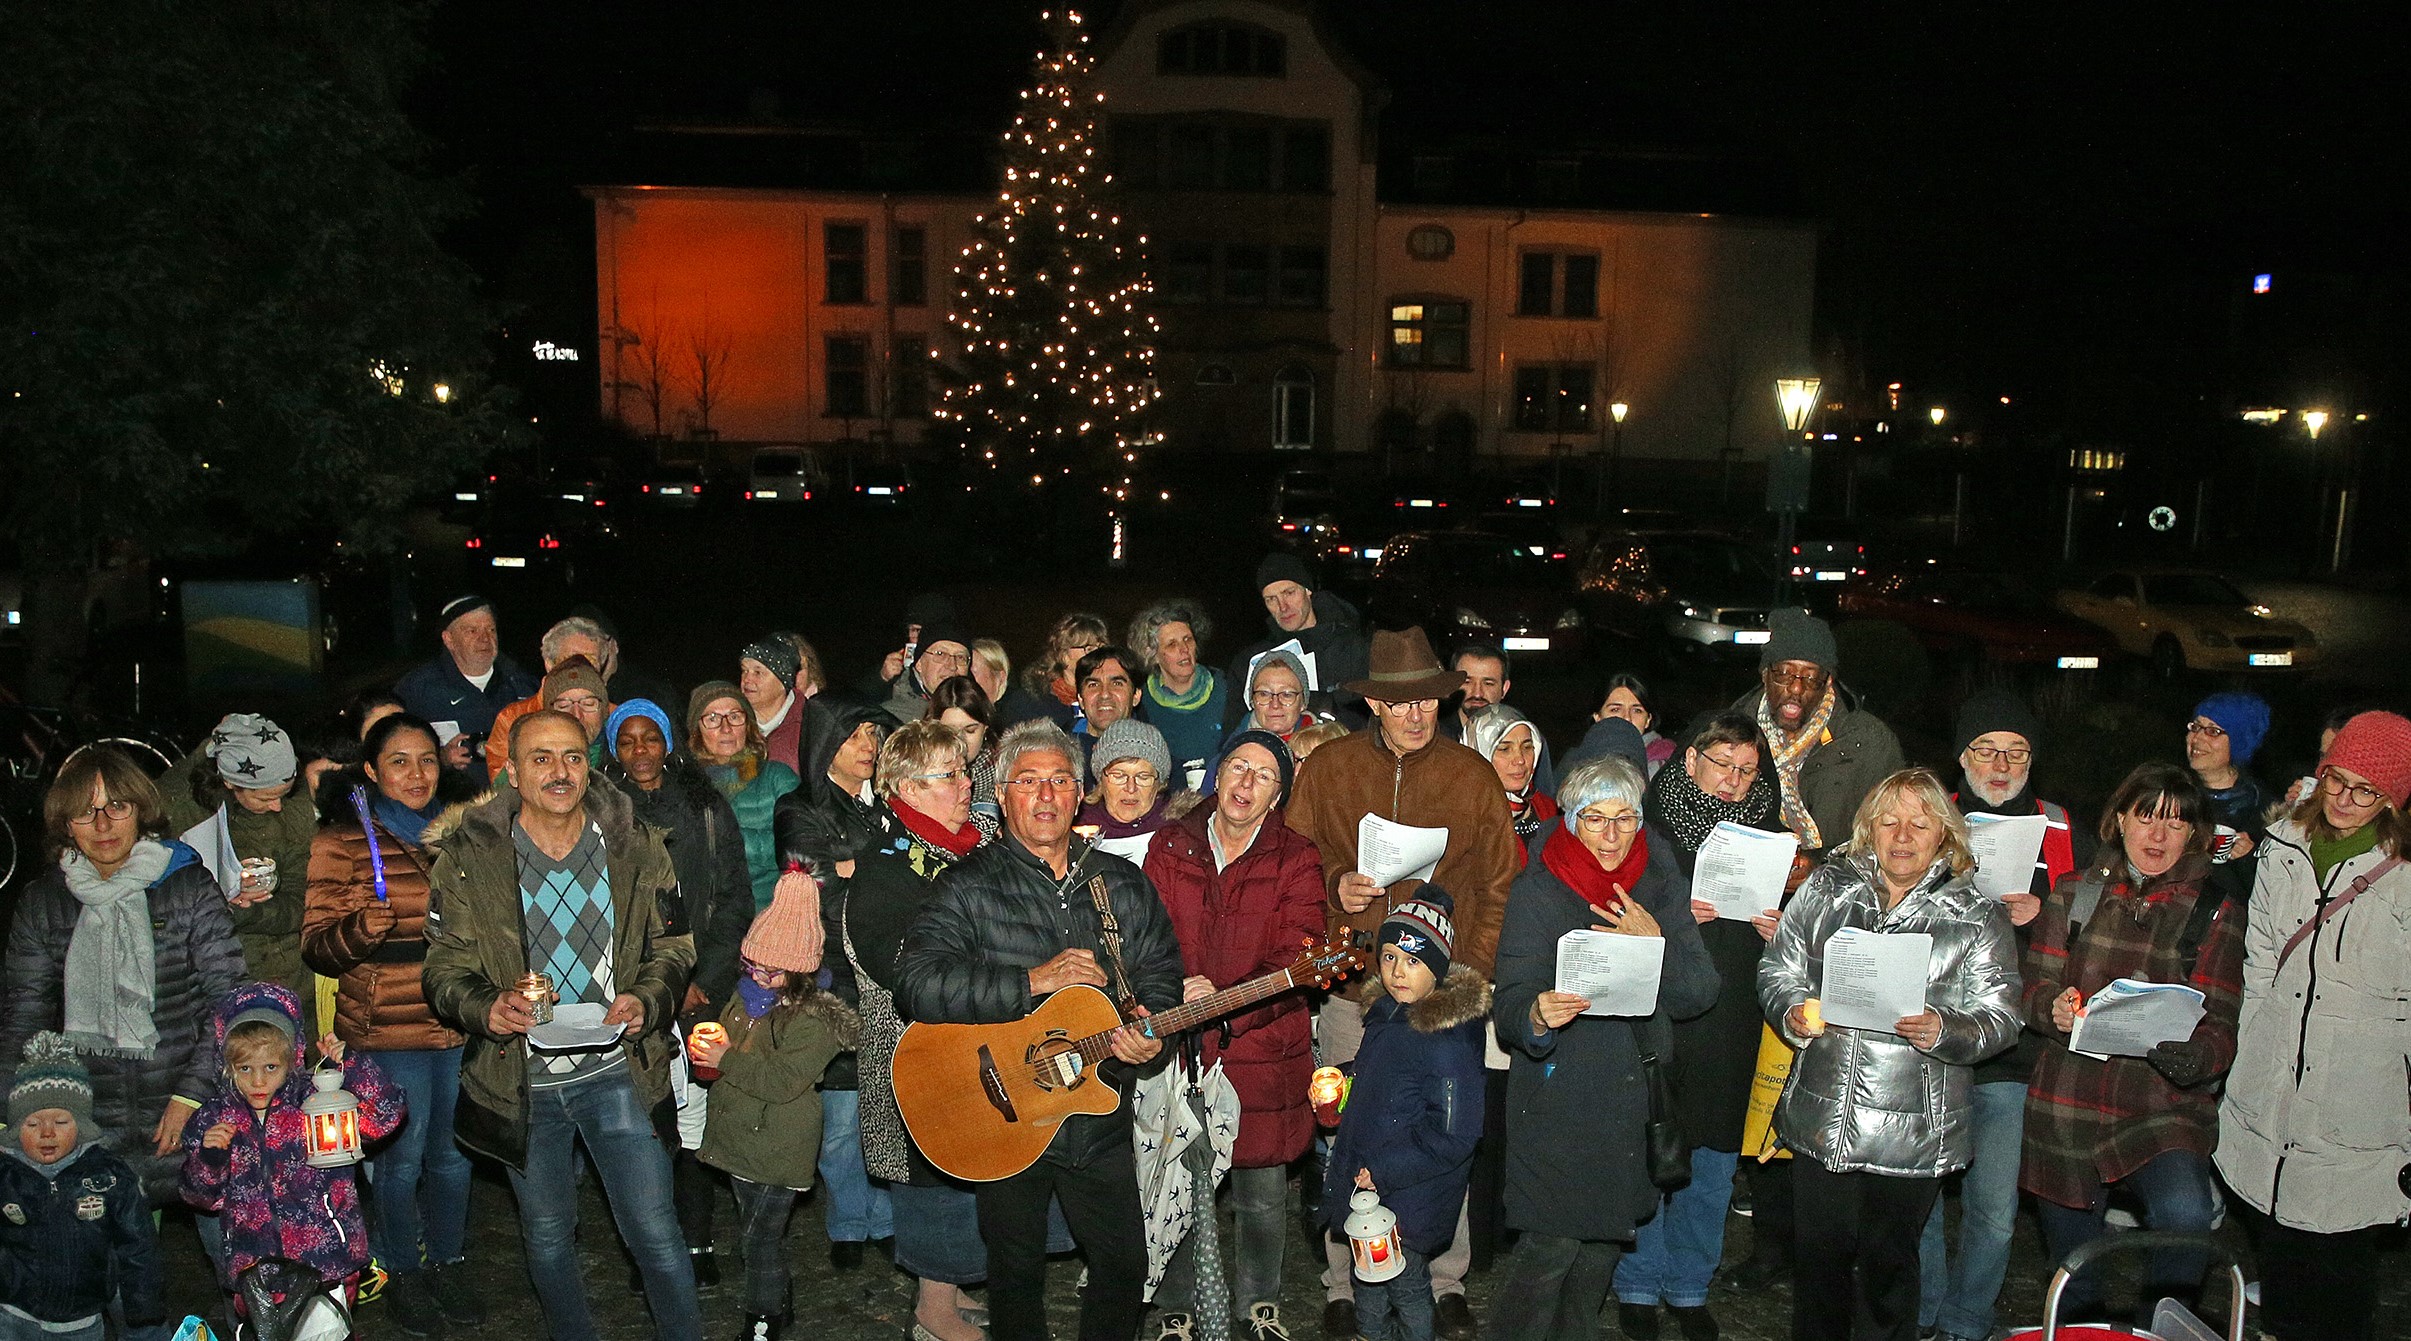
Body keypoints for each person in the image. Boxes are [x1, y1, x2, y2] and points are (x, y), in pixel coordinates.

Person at [894, 720, 1184, 1341]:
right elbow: (916, 982)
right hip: (1004, 1112)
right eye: (1028, 782)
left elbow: (1160, 973)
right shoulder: (967, 885)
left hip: (1097, 1109)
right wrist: (1031, 981)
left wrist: (1152, 1034)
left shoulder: (1120, 882)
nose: (1046, 795)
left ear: (1080, 795)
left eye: (1060, 781)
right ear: (1001, 797)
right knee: (1014, 1273)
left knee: (1124, 1266)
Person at [421, 709, 701, 1341]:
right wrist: (485, 1007)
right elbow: (443, 969)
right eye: (541, 758)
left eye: (573, 757)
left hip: (620, 1070)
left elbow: (674, 945)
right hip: (522, 1081)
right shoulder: (468, 858)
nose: (560, 772)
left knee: (657, 1233)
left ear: (590, 766)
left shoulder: (635, 846)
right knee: (547, 1237)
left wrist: (648, 998)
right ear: (512, 773)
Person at [1288, 627, 1518, 1341]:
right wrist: (1336, 884)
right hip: (1354, 979)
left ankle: (1444, 1278)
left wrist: (1469, 974)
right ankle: (1344, 1282)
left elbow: (1499, 883)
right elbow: (1293, 861)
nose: (1416, 715)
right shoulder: (1328, 769)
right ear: (1373, 705)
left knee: (1440, 1134)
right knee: (1349, 1127)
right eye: (1400, 703)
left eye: (1426, 701)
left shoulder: (1470, 776)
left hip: (1444, 993)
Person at [1758, 768, 2021, 1341]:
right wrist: (1793, 1010)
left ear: (1944, 835)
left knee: (1889, 1273)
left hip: (1915, 1126)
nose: (1902, 836)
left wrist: (1944, 1028)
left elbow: (2002, 1018)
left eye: (1919, 825)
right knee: (1818, 1269)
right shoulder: (1827, 889)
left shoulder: (1977, 916)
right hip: (1824, 1112)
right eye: (1889, 822)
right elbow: (1778, 966)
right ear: (1867, 829)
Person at [1490, 755, 1720, 1341]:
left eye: (1625, 819)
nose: (1612, 835)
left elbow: (1699, 992)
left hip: (1631, 1094)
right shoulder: (1539, 888)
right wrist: (1535, 1013)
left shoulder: (1659, 883)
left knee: (1603, 1245)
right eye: (1595, 819)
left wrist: (1656, 943)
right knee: (1550, 1247)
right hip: (1557, 1094)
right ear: (1571, 821)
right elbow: (1511, 998)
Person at [2019, 763, 2239, 1325]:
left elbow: (2221, 1022)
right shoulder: (2075, 892)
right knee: (2075, 1265)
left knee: (2185, 1216)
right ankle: (2083, 1329)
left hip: (2160, 1101)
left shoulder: (2213, 909)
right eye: (2146, 817)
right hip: (2068, 1100)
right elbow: (2034, 987)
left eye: (2176, 823)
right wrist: (2053, 1008)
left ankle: (2159, 1325)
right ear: (2120, 820)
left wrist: (2197, 1056)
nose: (2158, 835)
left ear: (2194, 833)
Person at [2216, 710, 2411, 1341]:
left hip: (2358, 1093)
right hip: (2274, 1081)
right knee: (2279, 1249)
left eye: (2367, 791)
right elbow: (2261, 961)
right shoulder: (2283, 844)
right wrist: (2251, 1051)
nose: (2346, 800)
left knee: (2339, 1265)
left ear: (2393, 800)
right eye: (2337, 780)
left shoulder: (2403, 871)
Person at [1724, 607, 1903, 1290]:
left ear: (1829, 677)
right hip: (1746, 930)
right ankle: (1769, 1244)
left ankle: (1822, 1247)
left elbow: (1892, 838)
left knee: (1820, 1086)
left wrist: (1816, 864)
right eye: (1783, 673)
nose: (1794, 688)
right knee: (1758, 1087)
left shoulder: (1867, 739)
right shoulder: (1732, 729)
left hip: (1832, 937)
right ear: (1764, 672)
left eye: (1809, 675)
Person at [0, 748, 247, 1208]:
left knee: (233, 1242)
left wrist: (191, 1097)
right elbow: (25, 1017)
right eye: (85, 811)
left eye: (117, 806)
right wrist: (13, 1111)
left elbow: (230, 1002)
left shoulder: (189, 886)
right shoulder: (43, 902)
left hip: (194, 1107)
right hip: (88, 1121)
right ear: (65, 823)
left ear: (140, 811)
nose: (103, 825)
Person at [301, 711, 484, 1333]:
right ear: (372, 770)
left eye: (427, 760)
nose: (416, 774)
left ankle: (449, 1263)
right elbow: (317, 946)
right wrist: (359, 930)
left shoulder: (461, 832)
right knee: (401, 1160)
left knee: (454, 1156)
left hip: (456, 1019)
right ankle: (403, 1269)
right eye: (399, 762)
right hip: (386, 1027)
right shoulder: (343, 840)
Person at [1918, 689, 2091, 1341]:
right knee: (1920, 1197)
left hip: (2016, 1048)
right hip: (1933, 1038)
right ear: (1962, 757)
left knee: (1993, 1206)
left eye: (2016, 752)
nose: (2000, 764)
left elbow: (2097, 927)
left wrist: (2045, 912)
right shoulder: (1928, 815)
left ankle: (1966, 1320)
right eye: (1986, 749)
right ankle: (1924, 1311)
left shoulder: (2059, 827)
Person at [1143, 730, 1324, 1341]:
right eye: (1239, 767)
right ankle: (1175, 1308)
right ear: (1217, 775)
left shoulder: (1296, 858)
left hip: (1258, 1045)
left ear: (1277, 796)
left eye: (1264, 775)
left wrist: (1224, 1003)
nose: (1247, 782)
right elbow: (1141, 934)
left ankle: (1259, 1305)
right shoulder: (1171, 843)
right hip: (1175, 1040)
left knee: (1261, 1187)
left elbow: (1298, 957)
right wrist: (1172, 989)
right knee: (1172, 1179)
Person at [1612, 714, 1782, 1339]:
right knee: (1653, 1147)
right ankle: (1636, 1284)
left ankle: (1688, 1286)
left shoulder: (1770, 833)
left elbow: (1798, 937)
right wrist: (1671, 916)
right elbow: (1613, 910)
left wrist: (1780, 927)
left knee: (1712, 1160)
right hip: (1661, 1012)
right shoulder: (1648, 828)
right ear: (1690, 760)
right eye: (1723, 766)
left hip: (1735, 1014)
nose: (1735, 781)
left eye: (1747, 770)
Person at [840, 721, 1005, 1341]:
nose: (966, 785)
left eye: (965, 772)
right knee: (933, 1174)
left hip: (968, 1038)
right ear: (907, 788)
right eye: (949, 775)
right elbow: (904, 968)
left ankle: (951, 1291)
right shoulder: (888, 868)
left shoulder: (967, 849)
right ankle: (932, 1314)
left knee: (965, 1168)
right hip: (913, 1053)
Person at [605, 698, 757, 1289]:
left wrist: (704, 979)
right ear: (613, 751)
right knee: (643, 1122)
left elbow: (735, 898)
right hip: (631, 991)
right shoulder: (602, 814)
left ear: (668, 743)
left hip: (700, 988)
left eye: (650, 738)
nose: (640, 751)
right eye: (627, 741)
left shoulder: (705, 808)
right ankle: (651, 1249)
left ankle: (696, 1240)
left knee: (696, 1118)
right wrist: (649, 987)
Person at [692, 879, 857, 1341]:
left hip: (778, 1146)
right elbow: (729, 1040)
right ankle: (780, 1301)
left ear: (800, 972)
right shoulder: (746, 998)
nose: (759, 977)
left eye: (773, 971)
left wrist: (726, 1059)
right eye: (753, 965)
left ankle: (762, 1322)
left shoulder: (814, 1022)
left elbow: (783, 1081)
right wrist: (711, 1044)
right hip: (740, 1138)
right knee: (753, 1231)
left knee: (759, 1242)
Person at [1320, 891, 1489, 1341]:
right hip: (1373, 1190)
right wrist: (1342, 1083)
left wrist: (1383, 1170)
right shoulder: (1387, 1014)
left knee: (1408, 1287)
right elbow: (1383, 1077)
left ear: (1437, 969)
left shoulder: (1449, 1040)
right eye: (1390, 957)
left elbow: (1455, 1134)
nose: (1397, 972)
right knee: (1369, 1282)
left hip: (1411, 1197)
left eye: (1413, 962)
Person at [180, 984, 404, 1318]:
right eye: (245, 1068)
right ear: (227, 1065)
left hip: (326, 1261)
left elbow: (386, 1115)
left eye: (270, 1067)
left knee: (326, 1333)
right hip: (255, 1268)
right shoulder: (214, 1119)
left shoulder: (318, 1104)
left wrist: (351, 1066)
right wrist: (210, 1159)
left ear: (292, 1059)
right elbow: (199, 1197)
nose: (258, 1081)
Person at [772, 698, 896, 1270]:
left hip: (885, 968)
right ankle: (849, 1222)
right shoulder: (797, 807)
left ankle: (886, 1219)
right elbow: (809, 881)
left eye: (873, 733)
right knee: (842, 1116)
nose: (868, 745)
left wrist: (850, 865)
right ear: (826, 745)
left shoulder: (888, 803)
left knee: (886, 1105)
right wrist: (864, 867)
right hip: (829, 976)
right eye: (854, 736)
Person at [0, 1033, 164, 1341]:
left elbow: (138, 1246)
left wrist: (143, 1306)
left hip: (81, 1320)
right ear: (16, 1130)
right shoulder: (7, 1176)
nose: (47, 1133)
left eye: (61, 1122)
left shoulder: (110, 1177)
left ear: (82, 1126)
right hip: (13, 1316)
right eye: (32, 1124)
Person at [161, 712, 317, 1010]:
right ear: (231, 782)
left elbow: (302, 900)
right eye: (264, 798)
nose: (277, 806)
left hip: (286, 974)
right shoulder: (187, 813)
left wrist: (247, 911)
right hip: (212, 976)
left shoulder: (294, 815)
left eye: (283, 794)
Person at [689, 682, 804, 912]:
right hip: (710, 920)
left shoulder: (776, 778)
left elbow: (806, 854)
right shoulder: (687, 788)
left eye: (735, 717)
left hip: (772, 914)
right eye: (712, 718)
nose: (726, 728)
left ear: (748, 724)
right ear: (697, 730)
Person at [1225, 554, 1371, 726]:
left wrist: (1321, 703)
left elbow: (1369, 713)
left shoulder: (1353, 648)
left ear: (1308, 590)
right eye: (1271, 599)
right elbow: (1235, 728)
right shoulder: (1251, 661)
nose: (1283, 607)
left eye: (1289, 593)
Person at [392, 594, 537, 762]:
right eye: (472, 631)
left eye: (491, 630)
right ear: (449, 639)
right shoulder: (417, 689)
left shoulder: (524, 686)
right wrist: (441, 758)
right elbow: (392, 749)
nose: (485, 638)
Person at [480, 615, 611, 782]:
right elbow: (503, 786)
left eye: (591, 660)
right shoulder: (513, 718)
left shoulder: (617, 717)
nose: (580, 665)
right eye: (570, 659)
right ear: (549, 664)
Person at [1130, 599, 1230, 785]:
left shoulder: (1225, 687)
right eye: (1171, 644)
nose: (1184, 650)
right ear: (1152, 654)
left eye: (1187, 639)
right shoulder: (1141, 702)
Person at [1075, 719, 1193, 862]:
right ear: (1101, 779)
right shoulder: (1074, 832)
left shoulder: (1184, 831)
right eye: (1119, 776)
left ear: (1159, 783)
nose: (1131, 788)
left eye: (1143, 777)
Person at [1453, 645, 1557, 793]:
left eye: (1488, 683)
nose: (1477, 693)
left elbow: (1542, 796)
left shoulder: (1529, 736)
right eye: (1467, 682)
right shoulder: (1436, 740)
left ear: (1505, 688)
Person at [2185, 690, 2271, 852]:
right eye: (2195, 727)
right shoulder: (2172, 791)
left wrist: (2250, 855)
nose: (2196, 738)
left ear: (2238, 743)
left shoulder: (2260, 806)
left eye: (2213, 731)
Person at [1461, 705, 1555, 851]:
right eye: (1504, 749)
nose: (1520, 760)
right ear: (1478, 753)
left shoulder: (1548, 808)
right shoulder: (1462, 819)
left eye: (1527, 747)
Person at [925, 674, 1001, 830]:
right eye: (950, 731)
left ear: (985, 728)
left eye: (970, 730)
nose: (961, 740)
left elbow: (985, 832)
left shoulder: (998, 769)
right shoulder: (918, 765)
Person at [1020, 612, 1111, 731]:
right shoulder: (1033, 704)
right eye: (1089, 649)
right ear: (1063, 655)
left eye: (1102, 649)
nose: (1100, 656)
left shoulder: (1112, 697)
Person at [881, 621, 975, 728]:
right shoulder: (893, 720)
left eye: (960, 657)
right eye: (940, 654)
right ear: (919, 663)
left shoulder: (978, 709)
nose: (952, 666)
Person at [738, 637, 810, 774]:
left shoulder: (810, 725)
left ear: (783, 683)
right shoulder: (731, 724)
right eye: (744, 671)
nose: (747, 679)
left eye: (758, 672)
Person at [1592, 672, 1674, 777]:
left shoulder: (1664, 766)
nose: (1627, 718)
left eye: (1637, 710)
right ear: (1597, 717)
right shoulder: (1579, 762)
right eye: (1615, 710)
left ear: (1648, 719)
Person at [1072, 645, 1142, 755]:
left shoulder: (1152, 752)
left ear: (1136, 696)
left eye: (1117, 684)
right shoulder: (1060, 750)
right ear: (1080, 699)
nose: (1104, 694)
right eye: (1094, 685)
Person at [544, 655, 613, 764]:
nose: (577, 715)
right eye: (564, 706)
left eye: (588, 704)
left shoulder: (625, 758)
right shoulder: (530, 759)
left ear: (604, 711)